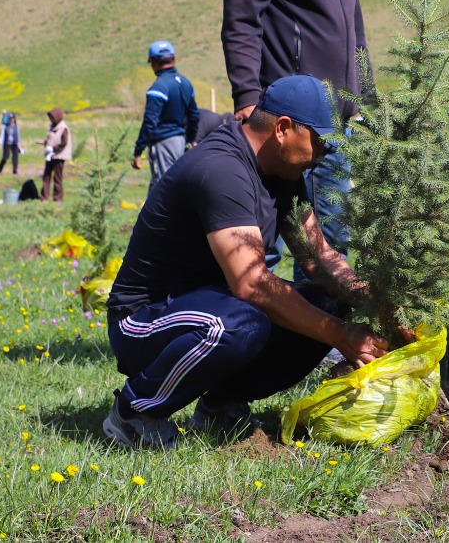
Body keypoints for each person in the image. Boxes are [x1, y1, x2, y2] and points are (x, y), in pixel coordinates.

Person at [101, 76, 389, 449]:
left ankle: (221, 403)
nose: (323, 154)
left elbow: (320, 258)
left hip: (208, 305)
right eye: (319, 142)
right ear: (283, 129)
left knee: (328, 303)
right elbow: (250, 282)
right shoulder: (222, 169)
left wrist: (370, 301)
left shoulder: (283, 172)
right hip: (144, 320)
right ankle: (133, 411)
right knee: (240, 323)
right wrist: (340, 335)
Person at [222, 0, 369, 262]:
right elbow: (241, 23)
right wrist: (248, 98)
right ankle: (247, 323)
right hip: (288, 126)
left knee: (332, 245)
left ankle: (317, 328)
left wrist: (365, 102)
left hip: (334, 130)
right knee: (268, 242)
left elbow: (355, 34)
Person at [131, 40, 200, 183]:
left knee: (161, 187)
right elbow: (194, 115)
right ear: (174, 59)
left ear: (153, 62)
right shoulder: (186, 84)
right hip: (180, 142)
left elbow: (150, 122)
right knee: (176, 184)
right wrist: (191, 139)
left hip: (163, 143)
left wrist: (138, 151)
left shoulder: (158, 88)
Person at [42, 108, 72, 203]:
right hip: (50, 155)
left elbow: (64, 143)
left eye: (52, 117)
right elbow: (51, 139)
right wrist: (45, 143)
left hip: (59, 156)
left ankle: (58, 198)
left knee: (57, 178)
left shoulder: (63, 128)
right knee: (46, 176)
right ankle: (44, 197)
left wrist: (53, 148)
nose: (51, 119)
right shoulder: (52, 126)